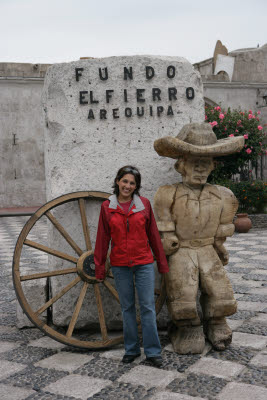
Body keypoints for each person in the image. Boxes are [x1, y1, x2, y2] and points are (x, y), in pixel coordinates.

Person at [154, 122, 244, 354]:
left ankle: (216, 323)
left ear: (213, 166)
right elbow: (164, 225)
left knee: (220, 290)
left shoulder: (224, 196)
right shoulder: (167, 194)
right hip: (181, 250)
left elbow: (222, 230)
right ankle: (188, 327)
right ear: (181, 165)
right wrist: (167, 244)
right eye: (195, 163)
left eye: (206, 164)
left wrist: (220, 247)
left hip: (207, 250)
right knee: (183, 291)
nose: (201, 169)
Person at [94, 165, 169, 366]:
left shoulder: (144, 205)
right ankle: (132, 349)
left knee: (147, 308)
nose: (127, 186)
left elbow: (153, 235)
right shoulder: (107, 207)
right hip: (120, 265)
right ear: (118, 181)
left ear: (136, 187)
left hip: (143, 263)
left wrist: (161, 263)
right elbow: (102, 239)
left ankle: (153, 352)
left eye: (132, 183)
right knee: (127, 308)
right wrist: (100, 267)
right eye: (125, 181)